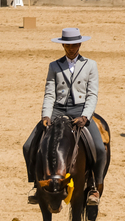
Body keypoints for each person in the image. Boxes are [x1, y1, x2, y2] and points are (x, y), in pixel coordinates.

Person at [23, 28, 106, 206]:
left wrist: (85, 116)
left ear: (80, 44)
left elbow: (92, 94)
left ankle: (94, 186)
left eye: (74, 44)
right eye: (68, 45)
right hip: (57, 111)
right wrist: (46, 114)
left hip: (79, 110)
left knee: (99, 148)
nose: (71, 48)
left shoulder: (90, 65)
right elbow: (49, 93)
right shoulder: (54, 66)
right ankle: (37, 185)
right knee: (28, 145)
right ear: (63, 45)